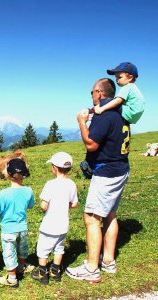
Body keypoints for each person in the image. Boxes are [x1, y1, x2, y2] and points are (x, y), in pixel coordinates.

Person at [66, 78, 130, 283]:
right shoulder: (120, 112)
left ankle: (92, 269)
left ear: (99, 93)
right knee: (110, 213)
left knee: (92, 217)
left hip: (106, 172)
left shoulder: (105, 116)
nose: (91, 96)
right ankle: (108, 261)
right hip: (121, 168)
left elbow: (91, 144)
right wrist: (90, 110)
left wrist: (81, 122)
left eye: (92, 92)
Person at [31, 152, 78, 285]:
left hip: (49, 225)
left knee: (43, 250)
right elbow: (74, 204)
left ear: (54, 168)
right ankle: (55, 272)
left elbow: (44, 205)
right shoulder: (72, 184)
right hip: (63, 225)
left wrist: (43, 206)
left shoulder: (50, 184)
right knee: (59, 248)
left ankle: (42, 274)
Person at [0, 158, 34, 288]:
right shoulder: (28, 190)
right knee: (22, 249)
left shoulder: (4, 194)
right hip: (22, 227)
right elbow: (30, 206)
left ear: (8, 174)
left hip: (8, 229)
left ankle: (12, 278)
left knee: (9, 253)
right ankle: (21, 267)